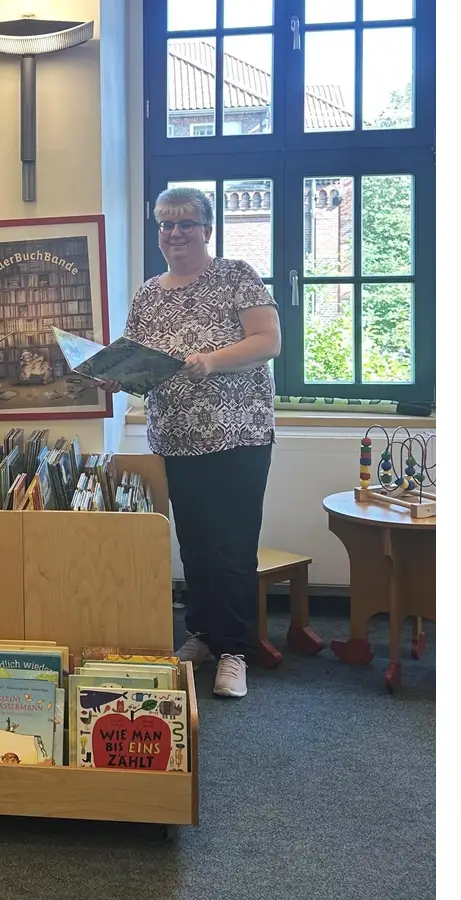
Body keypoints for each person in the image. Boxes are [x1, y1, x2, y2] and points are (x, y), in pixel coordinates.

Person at [113, 186, 281, 699]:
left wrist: (212, 359)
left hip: (238, 434)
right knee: (196, 544)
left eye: (186, 223)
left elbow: (268, 341)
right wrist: (115, 376)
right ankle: (203, 635)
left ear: (207, 230)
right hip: (176, 438)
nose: (175, 233)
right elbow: (139, 365)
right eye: (166, 224)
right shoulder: (147, 293)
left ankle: (236, 651)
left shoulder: (235, 275)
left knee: (231, 547)